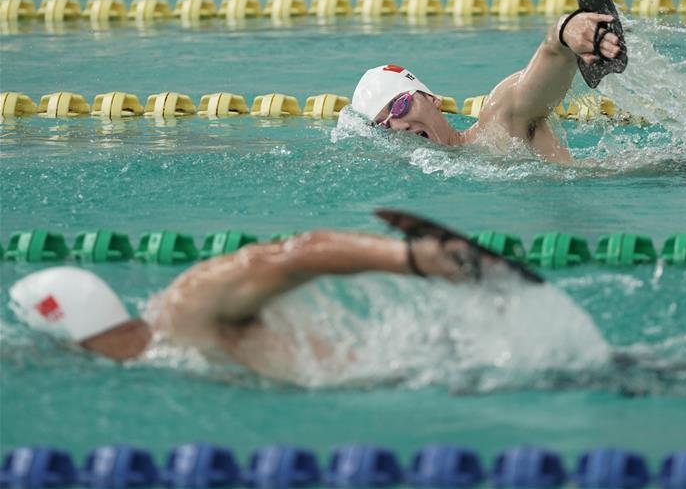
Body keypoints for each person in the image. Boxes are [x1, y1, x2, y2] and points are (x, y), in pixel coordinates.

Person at [7, 215, 506, 383]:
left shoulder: (184, 310)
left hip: (447, 367)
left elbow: (297, 254)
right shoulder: (159, 351)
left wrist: (416, 259)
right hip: (426, 374)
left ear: (66, 337)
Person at [345, 0, 625, 165]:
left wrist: (565, 31)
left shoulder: (498, 125)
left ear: (433, 99)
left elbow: (538, 75)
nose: (397, 125)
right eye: (384, 125)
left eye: (399, 105)